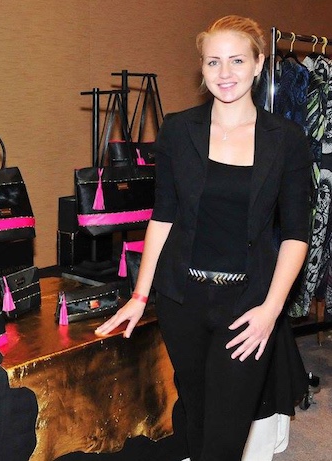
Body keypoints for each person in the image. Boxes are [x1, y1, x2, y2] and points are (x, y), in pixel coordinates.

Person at [95, 15, 311, 461]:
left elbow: (296, 233)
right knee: (195, 414)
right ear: (202, 67)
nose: (225, 73)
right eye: (213, 62)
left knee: (225, 436)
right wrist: (140, 295)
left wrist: (271, 310)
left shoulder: (285, 139)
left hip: (248, 305)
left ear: (258, 63)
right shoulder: (178, 129)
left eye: (236, 60)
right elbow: (164, 216)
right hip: (182, 302)